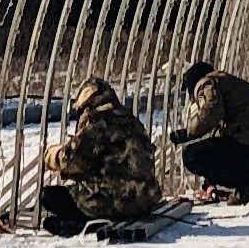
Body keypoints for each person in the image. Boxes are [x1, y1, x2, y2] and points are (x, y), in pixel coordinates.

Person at [38, 77, 162, 236]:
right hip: (145, 200)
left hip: (112, 203)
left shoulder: (98, 124)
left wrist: (51, 155)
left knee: (49, 196)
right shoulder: (132, 121)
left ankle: (87, 223)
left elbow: (73, 162)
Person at [169, 61, 249, 201]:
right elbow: (221, 133)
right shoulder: (229, 85)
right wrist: (211, 178)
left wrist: (188, 133)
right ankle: (246, 188)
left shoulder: (206, 82)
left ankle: (248, 183)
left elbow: (211, 111)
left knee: (192, 155)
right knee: (216, 150)